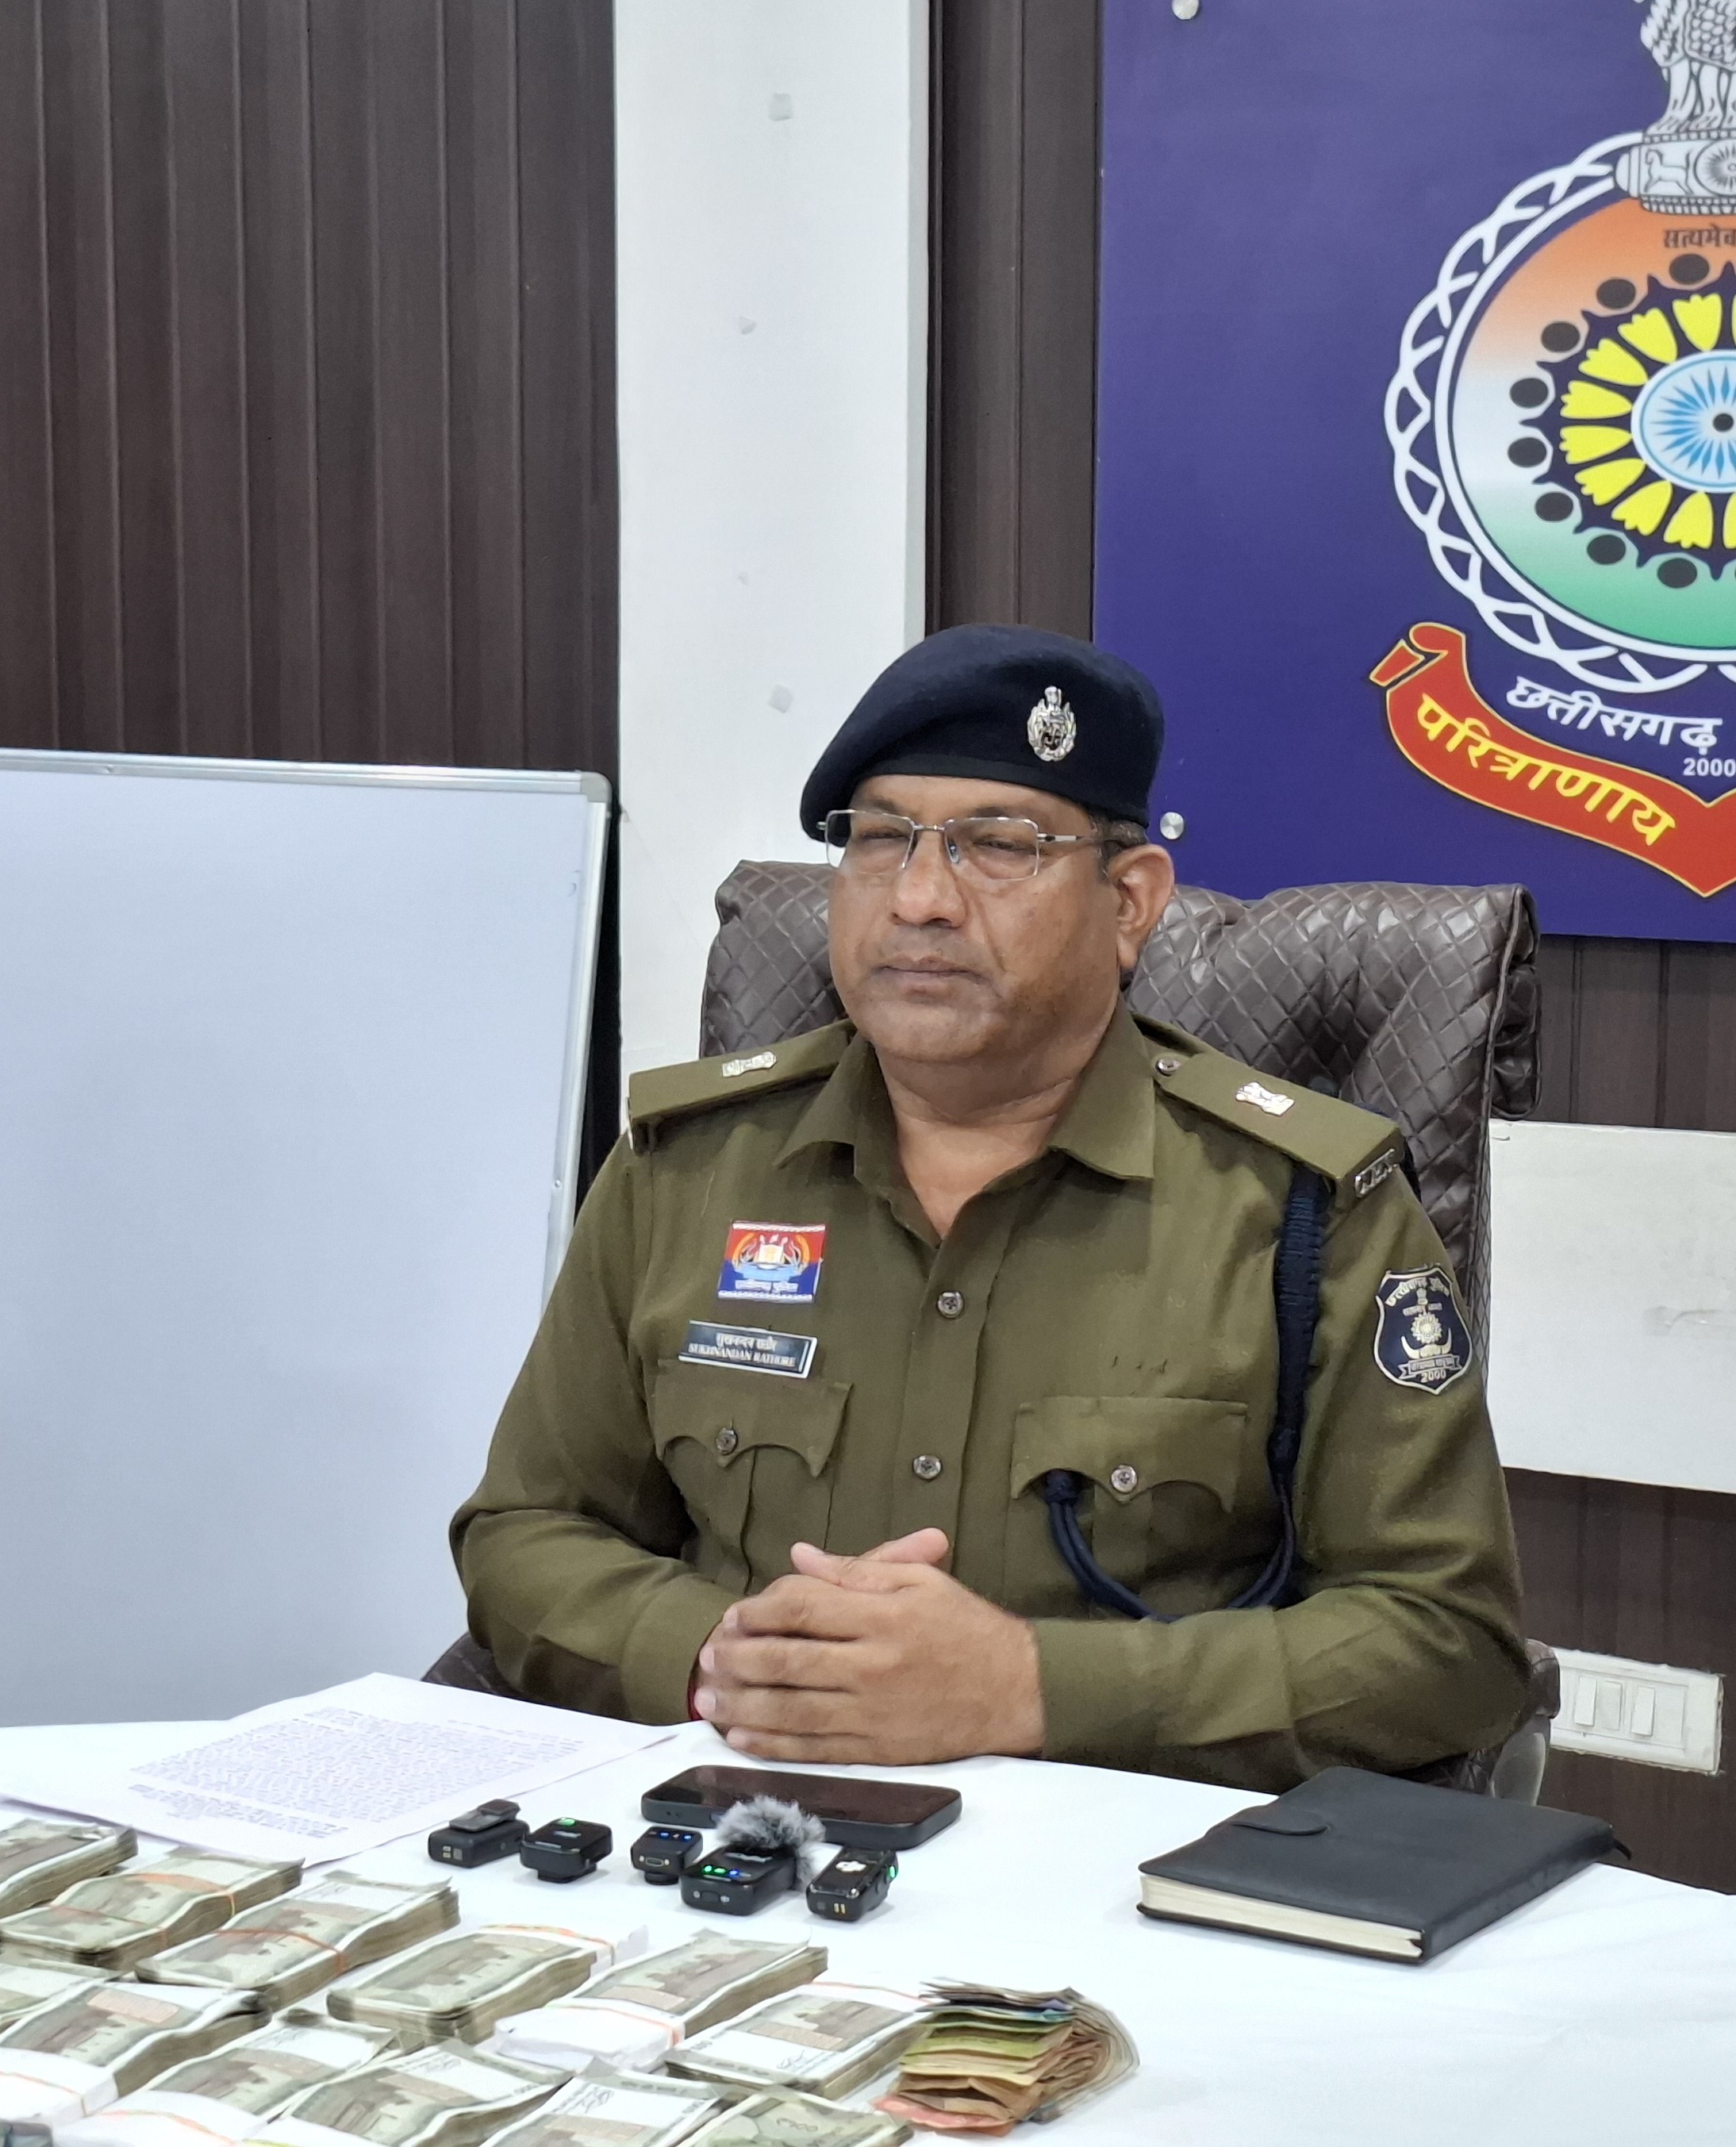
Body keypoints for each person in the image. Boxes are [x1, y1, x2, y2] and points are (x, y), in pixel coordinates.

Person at [451, 622, 1530, 1788]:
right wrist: (719, 1659)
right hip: (736, 1822)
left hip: (1125, 1857)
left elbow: (1446, 1640)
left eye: (999, 846)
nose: (919, 899)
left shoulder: (1300, 1205)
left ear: (1130, 903)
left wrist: (1032, 1686)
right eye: (880, 840)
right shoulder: (688, 1168)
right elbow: (524, 1531)